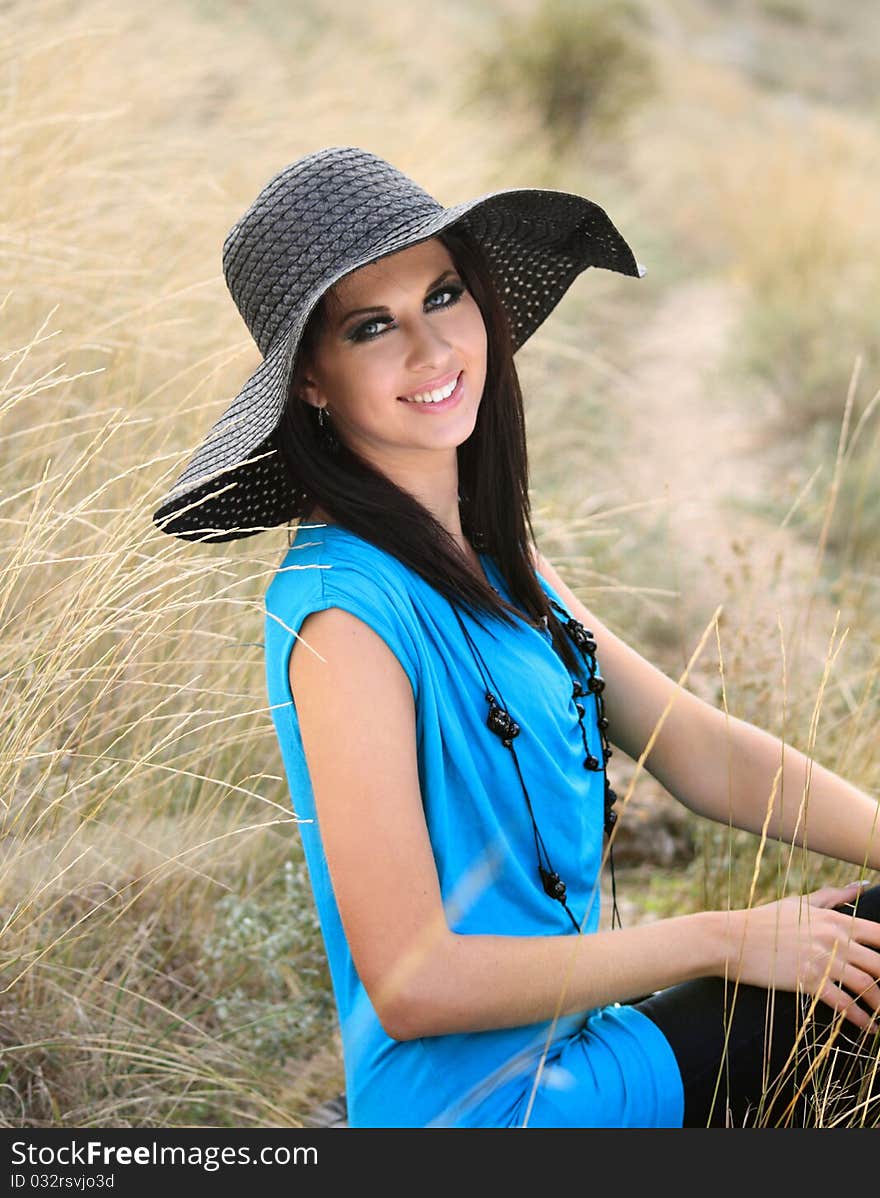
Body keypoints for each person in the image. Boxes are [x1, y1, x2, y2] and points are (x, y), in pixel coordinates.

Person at [153, 145, 880, 1129]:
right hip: (493, 1112)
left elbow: (698, 752)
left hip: (577, 1054)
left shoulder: (492, 558)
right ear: (312, 382)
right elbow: (411, 982)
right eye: (373, 326)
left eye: (443, 296)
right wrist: (722, 937)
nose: (431, 349)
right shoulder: (343, 617)